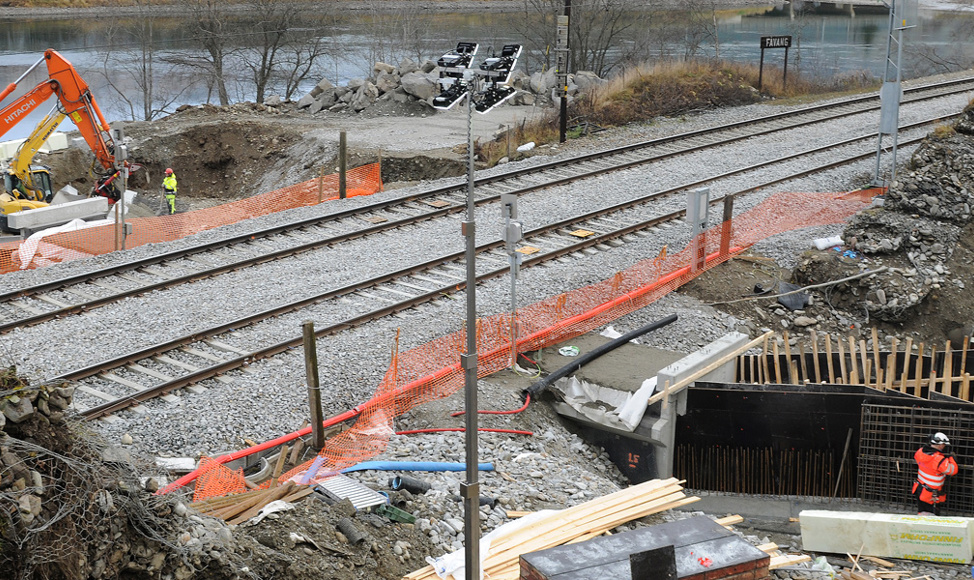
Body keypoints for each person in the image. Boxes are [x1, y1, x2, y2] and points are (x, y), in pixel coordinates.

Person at [912, 432, 958, 515]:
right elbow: (952, 471)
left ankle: (920, 526)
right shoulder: (939, 460)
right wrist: (952, 459)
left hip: (919, 488)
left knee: (921, 512)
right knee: (932, 516)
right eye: (944, 444)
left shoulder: (920, 451)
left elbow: (919, 459)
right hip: (931, 494)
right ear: (941, 445)